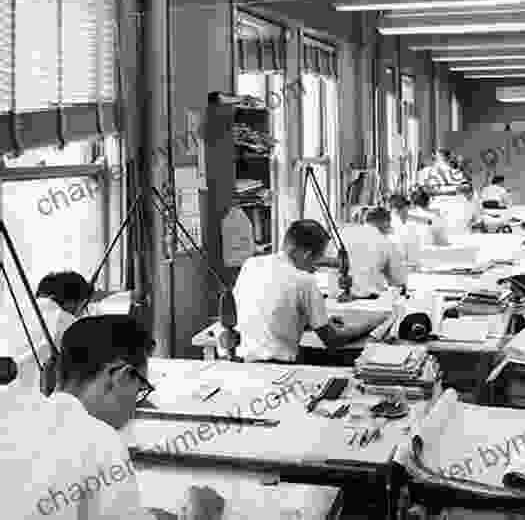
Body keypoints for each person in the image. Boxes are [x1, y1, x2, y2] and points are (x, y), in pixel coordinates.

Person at [3, 314, 226, 519]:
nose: (134, 410)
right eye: (139, 390)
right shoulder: (97, 440)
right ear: (120, 377)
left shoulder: (12, 415)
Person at [234, 220, 389, 363]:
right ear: (307, 255)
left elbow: (270, 313)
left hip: (244, 360)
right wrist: (373, 323)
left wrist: (313, 321)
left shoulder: (251, 264)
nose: (316, 267)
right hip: (280, 365)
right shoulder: (304, 280)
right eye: (318, 259)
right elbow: (333, 341)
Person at [10, 271, 93, 392]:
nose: (82, 314)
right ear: (74, 302)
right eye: (83, 307)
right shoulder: (67, 323)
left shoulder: (11, 314)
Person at [335, 207, 408, 297]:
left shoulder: (343, 233)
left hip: (335, 297)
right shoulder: (386, 242)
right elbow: (398, 281)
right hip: (368, 300)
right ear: (386, 223)